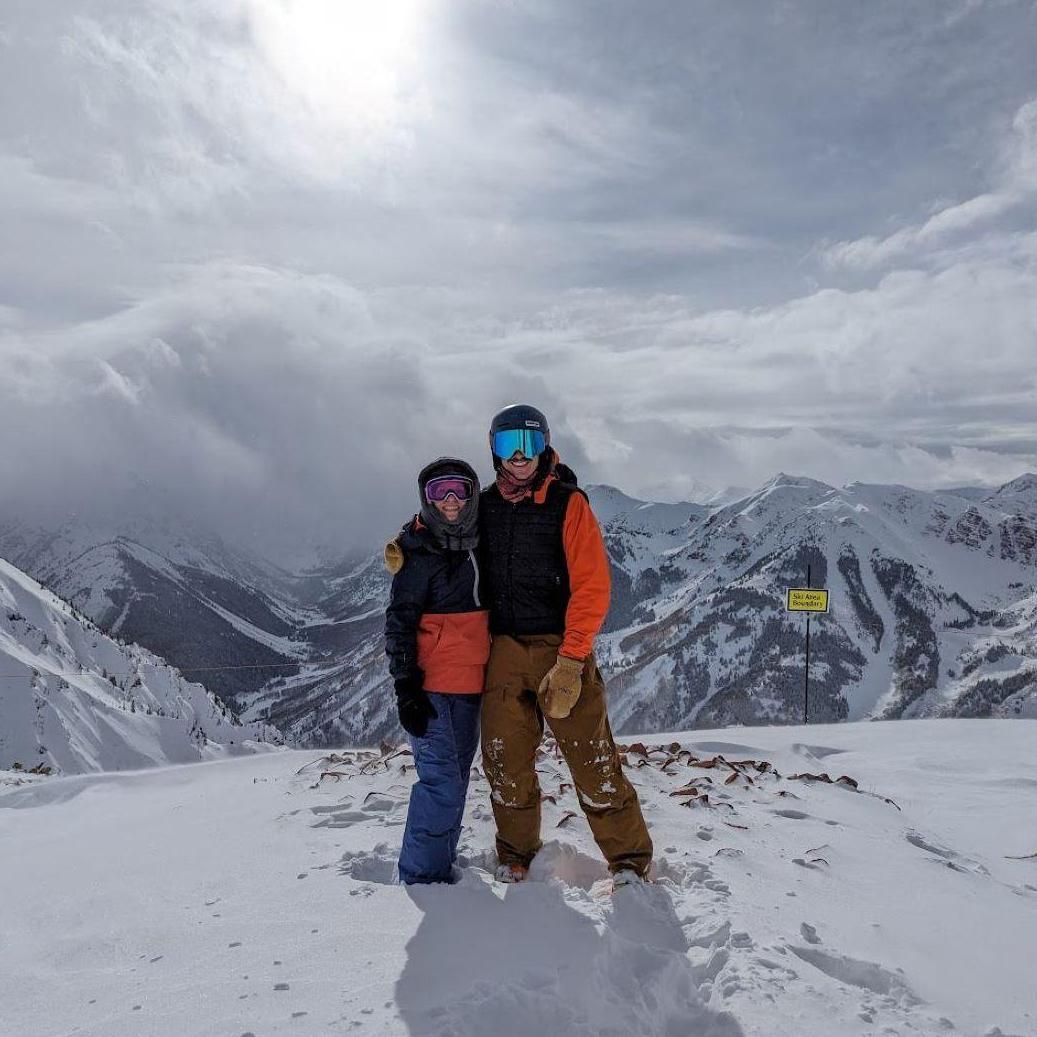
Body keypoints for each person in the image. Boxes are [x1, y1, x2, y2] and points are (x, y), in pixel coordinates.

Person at [478, 404, 653, 889]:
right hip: (504, 650)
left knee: (592, 759)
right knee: (504, 760)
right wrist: (407, 545)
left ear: (546, 447)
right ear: (493, 449)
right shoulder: (485, 506)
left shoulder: (567, 503)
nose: (519, 455)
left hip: (560, 649)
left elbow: (592, 585)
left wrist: (573, 658)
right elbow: (441, 525)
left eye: (530, 444)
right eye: (508, 443)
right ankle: (515, 852)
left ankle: (629, 862)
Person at [384, 457, 489, 885]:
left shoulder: (479, 542)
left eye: (459, 490)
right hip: (432, 690)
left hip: (471, 687)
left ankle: (438, 866)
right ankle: (423, 879)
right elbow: (399, 621)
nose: (450, 500)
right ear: (425, 498)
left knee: (457, 781)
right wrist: (406, 685)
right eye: (438, 491)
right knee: (442, 784)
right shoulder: (416, 551)